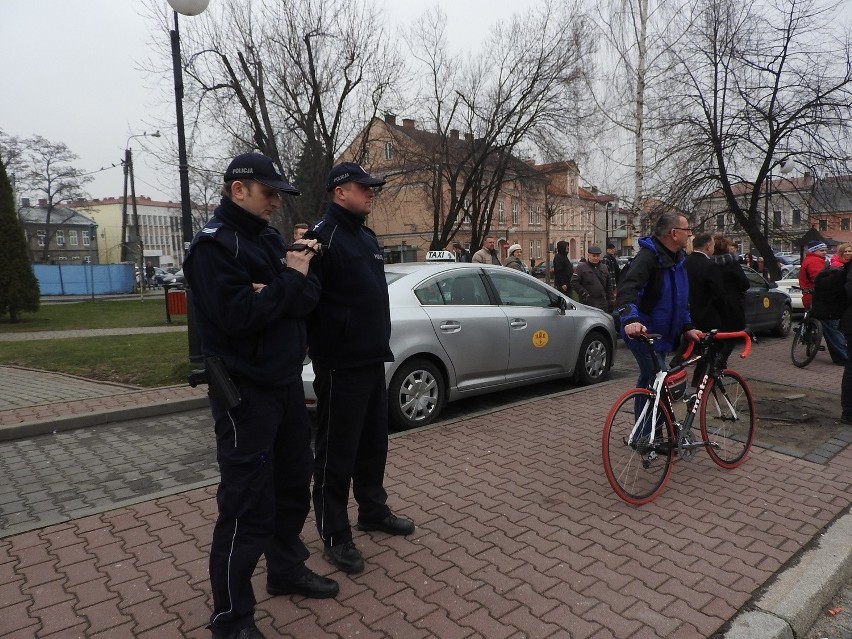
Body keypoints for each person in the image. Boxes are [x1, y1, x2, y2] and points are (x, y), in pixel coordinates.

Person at [183, 152, 338, 639]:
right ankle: (231, 618)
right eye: (268, 193)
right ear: (238, 190)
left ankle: (285, 568)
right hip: (245, 392)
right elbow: (240, 318)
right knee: (246, 503)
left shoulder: (268, 238)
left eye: (278, 193)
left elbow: (305, 301)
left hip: (286, 382)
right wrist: (288, 279)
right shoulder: (213, 248)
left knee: (293, 485)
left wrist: (278, 286)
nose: (276, 202)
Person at [304, 162, 415, 577]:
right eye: (363, 187)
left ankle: (372, 510)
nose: (371, 193)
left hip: (371, 358)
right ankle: (334, 533)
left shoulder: (366, 237)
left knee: (373, 444)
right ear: (339, 192)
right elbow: (308, 305)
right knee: (336, 452)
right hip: (340, 364)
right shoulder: (322, 239)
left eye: (372, 188)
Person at [615, 212, 701, 389]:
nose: (690, 234)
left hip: (663, 336)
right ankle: (653, 417)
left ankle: (649, 417)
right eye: (687, 229)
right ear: (674, 233)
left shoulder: (678, 260)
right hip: (644, 335)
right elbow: (627, 290)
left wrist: (687, 328)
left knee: (650, 383)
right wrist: (631, 320)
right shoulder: (648, 258)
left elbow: (680, 300)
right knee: (661, 382)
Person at [800, 240, 847, 364]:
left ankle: (810, 336)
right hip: (818, 298)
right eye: (821, 250)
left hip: (815, 297)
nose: (825, 252)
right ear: (813, 251)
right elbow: (821, 280)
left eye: (825, 250)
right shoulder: (814, 261)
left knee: (828, 324)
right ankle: (843, 356)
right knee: (831, 326)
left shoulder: (816, 260)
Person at [712, 235, 750, 368]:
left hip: (714, 304)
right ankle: (721, 360)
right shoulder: (731, 263)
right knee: (733, 334)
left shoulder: (709, 264)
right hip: (731, 304)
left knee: (717, 334)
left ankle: (713, 359)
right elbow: (744, 283)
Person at [571, 245, 612, 311]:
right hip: (588, 303)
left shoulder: (604, 268)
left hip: (602, 302)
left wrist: (610, 301)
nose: (596, 258)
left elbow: (609, 285)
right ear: (588, 255)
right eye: (593, 256)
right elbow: (574, 282)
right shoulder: (581, 267)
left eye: (597, 256)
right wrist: (584, 293)